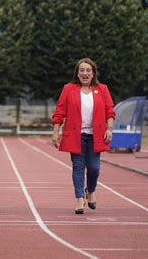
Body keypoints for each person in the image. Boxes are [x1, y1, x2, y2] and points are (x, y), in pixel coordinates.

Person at [51, 58, 115, 214]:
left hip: (96, 135)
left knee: (94, 168)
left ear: (93, 73)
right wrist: (55, 132)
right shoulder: (68, 89)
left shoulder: (102, 89)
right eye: (82, 70)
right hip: (76, 135)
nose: (85, 73)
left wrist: (109, 128)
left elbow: (110, 111)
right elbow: (59, 112)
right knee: (78, 167)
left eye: (88, 70)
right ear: (77, 73)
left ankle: (90, 191)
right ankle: (79, 198)